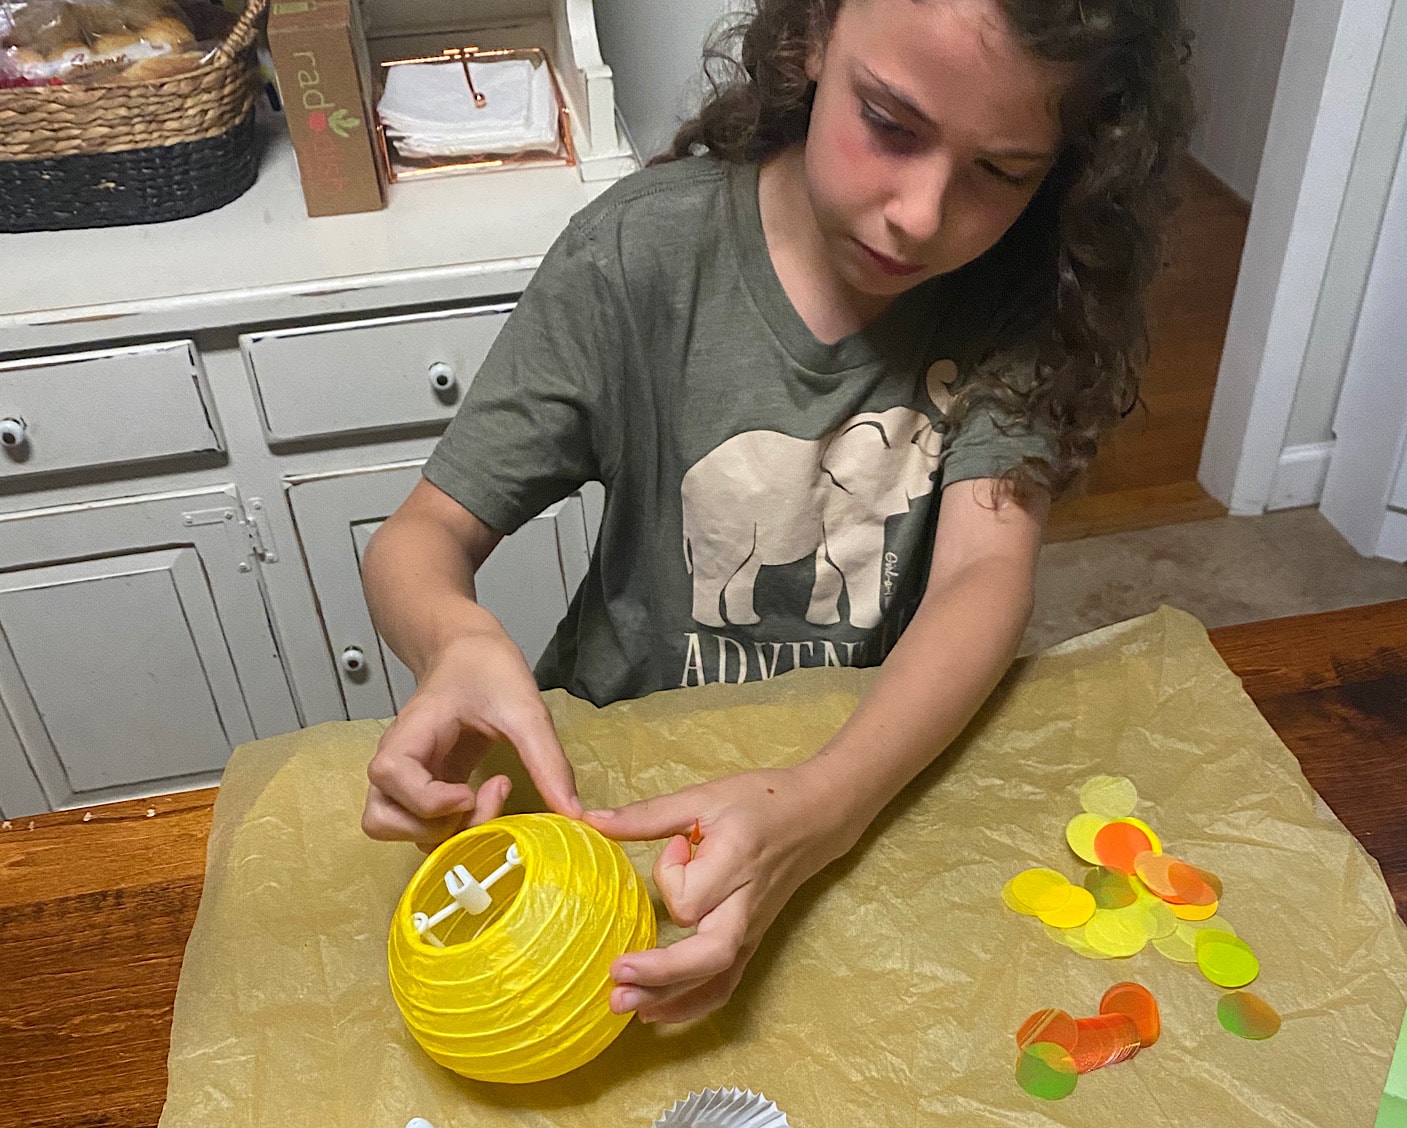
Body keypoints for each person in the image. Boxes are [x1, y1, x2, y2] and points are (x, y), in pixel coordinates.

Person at [360, 0, 1193, 1025]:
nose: (922, 215)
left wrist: (825, 805)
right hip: (609, 795)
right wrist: (451, 640)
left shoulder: (1012, 294)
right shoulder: (635, 258)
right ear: (809, 37)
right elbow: (419, 539)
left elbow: (984, 574)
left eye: (1001, 172)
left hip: (852, 774)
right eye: (889, 124)